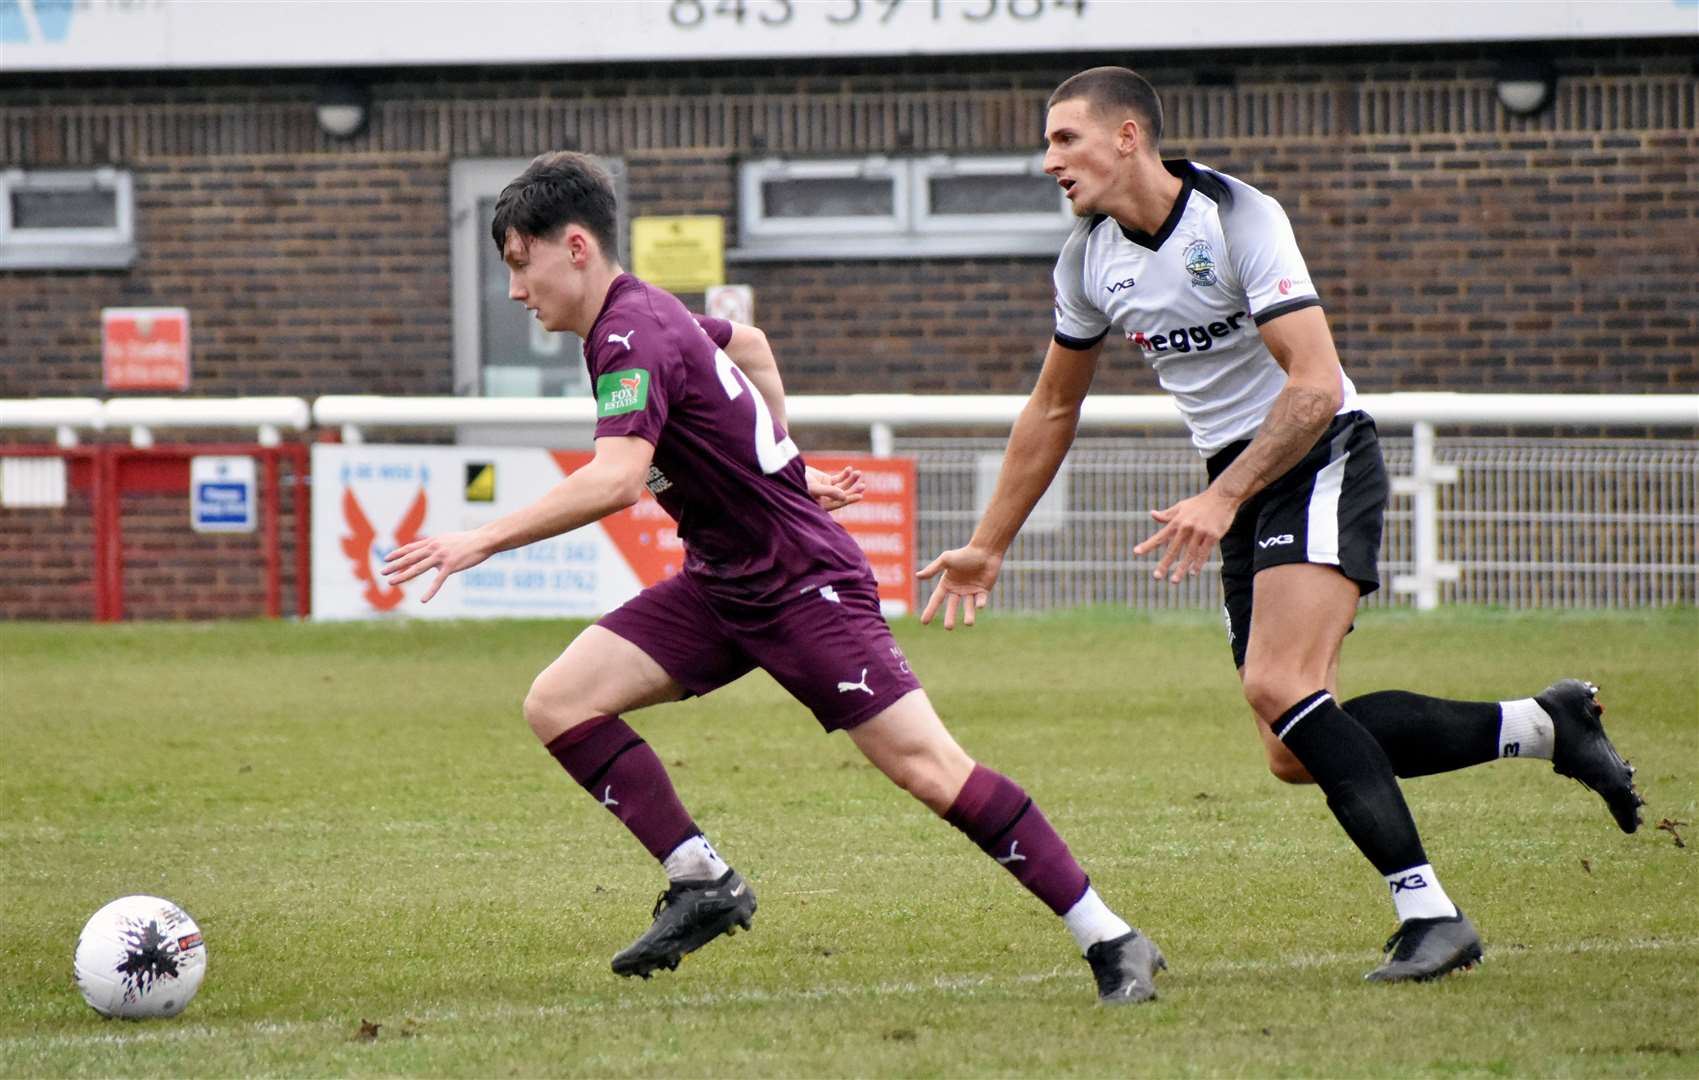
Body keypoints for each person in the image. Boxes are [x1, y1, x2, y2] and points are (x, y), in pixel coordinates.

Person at [382, 150, 1167, 1005]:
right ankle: (701, 880)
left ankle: (1111, 937)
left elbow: (614, 477)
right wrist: (784, 464)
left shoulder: (628, 331)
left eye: (516, 262)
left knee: (929, 770)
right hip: (724, 582)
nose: (512, 289)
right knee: (559, 701)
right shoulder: (637, 313)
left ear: (573, 246)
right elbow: (749, 345)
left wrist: (483, 539)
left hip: (800, 583)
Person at [917, 66, 1643, 983]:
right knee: (1290, 748)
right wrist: (988, 545)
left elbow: (1311, 382)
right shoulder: (1086, 260)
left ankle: (1432, 914)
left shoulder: (1236, 215)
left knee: (1276, 682)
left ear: (1128, 137)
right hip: (1239, 478)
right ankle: (1543, 727)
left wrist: (1224, 498)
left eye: (1065, 139)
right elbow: (1051, 409)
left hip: (1319, 451)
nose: (1048, 159)